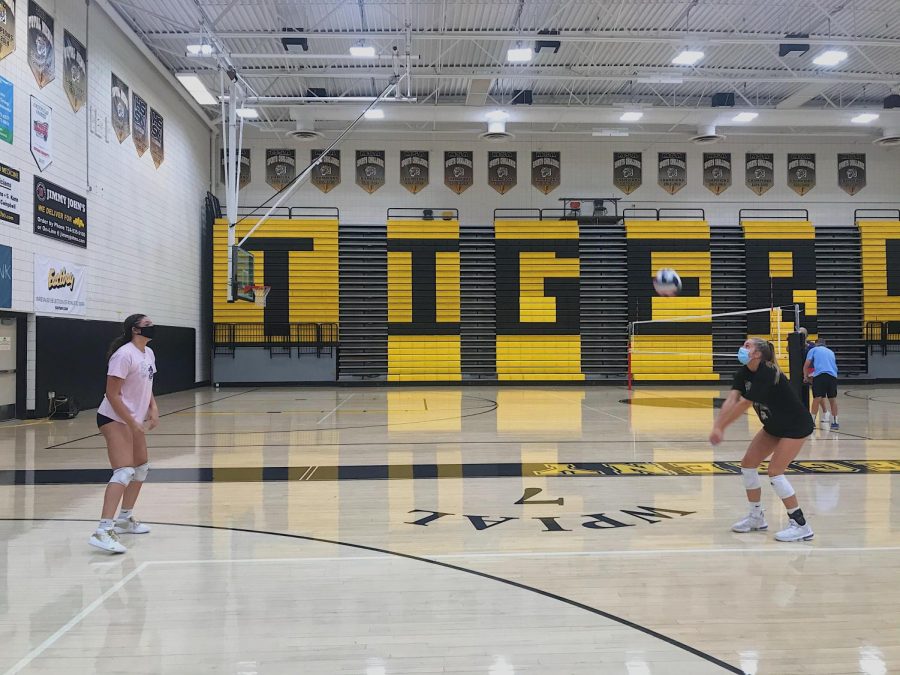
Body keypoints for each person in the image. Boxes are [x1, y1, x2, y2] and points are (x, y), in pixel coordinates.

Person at [709, 337, 815, 542]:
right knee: (748, 465)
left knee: (775, 472)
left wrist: (722, 428)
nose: (742, 348)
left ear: (757, 353)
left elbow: (744, 404)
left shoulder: (767, 371)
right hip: (774, 425)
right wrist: (717, 425)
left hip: (796, 425)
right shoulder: (744, 372)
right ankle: (756, 517)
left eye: (747, 346)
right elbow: (732, 400)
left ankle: (801, 525)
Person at [90, 314, 159, 554]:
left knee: (141, 468)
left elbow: (147, 385)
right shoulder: (123, 355)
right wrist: (131, 421)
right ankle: (103, 530)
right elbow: (112, 394)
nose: (152, 328)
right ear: (135, 330)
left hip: (133, 419)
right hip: (113, 417)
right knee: (124, 472)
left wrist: (153, 408)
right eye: (147, 325)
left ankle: (124, 518)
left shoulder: (148, 354)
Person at [805, 338, 839, 431]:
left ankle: (811, 422)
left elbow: (806, 364)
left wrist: (805, 376)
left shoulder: (813, 350)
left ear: (816, 344)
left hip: (820, 375)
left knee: (817, 398)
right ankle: (835, 422)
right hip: (832, 376)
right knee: (832, 399)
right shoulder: (831, 352)